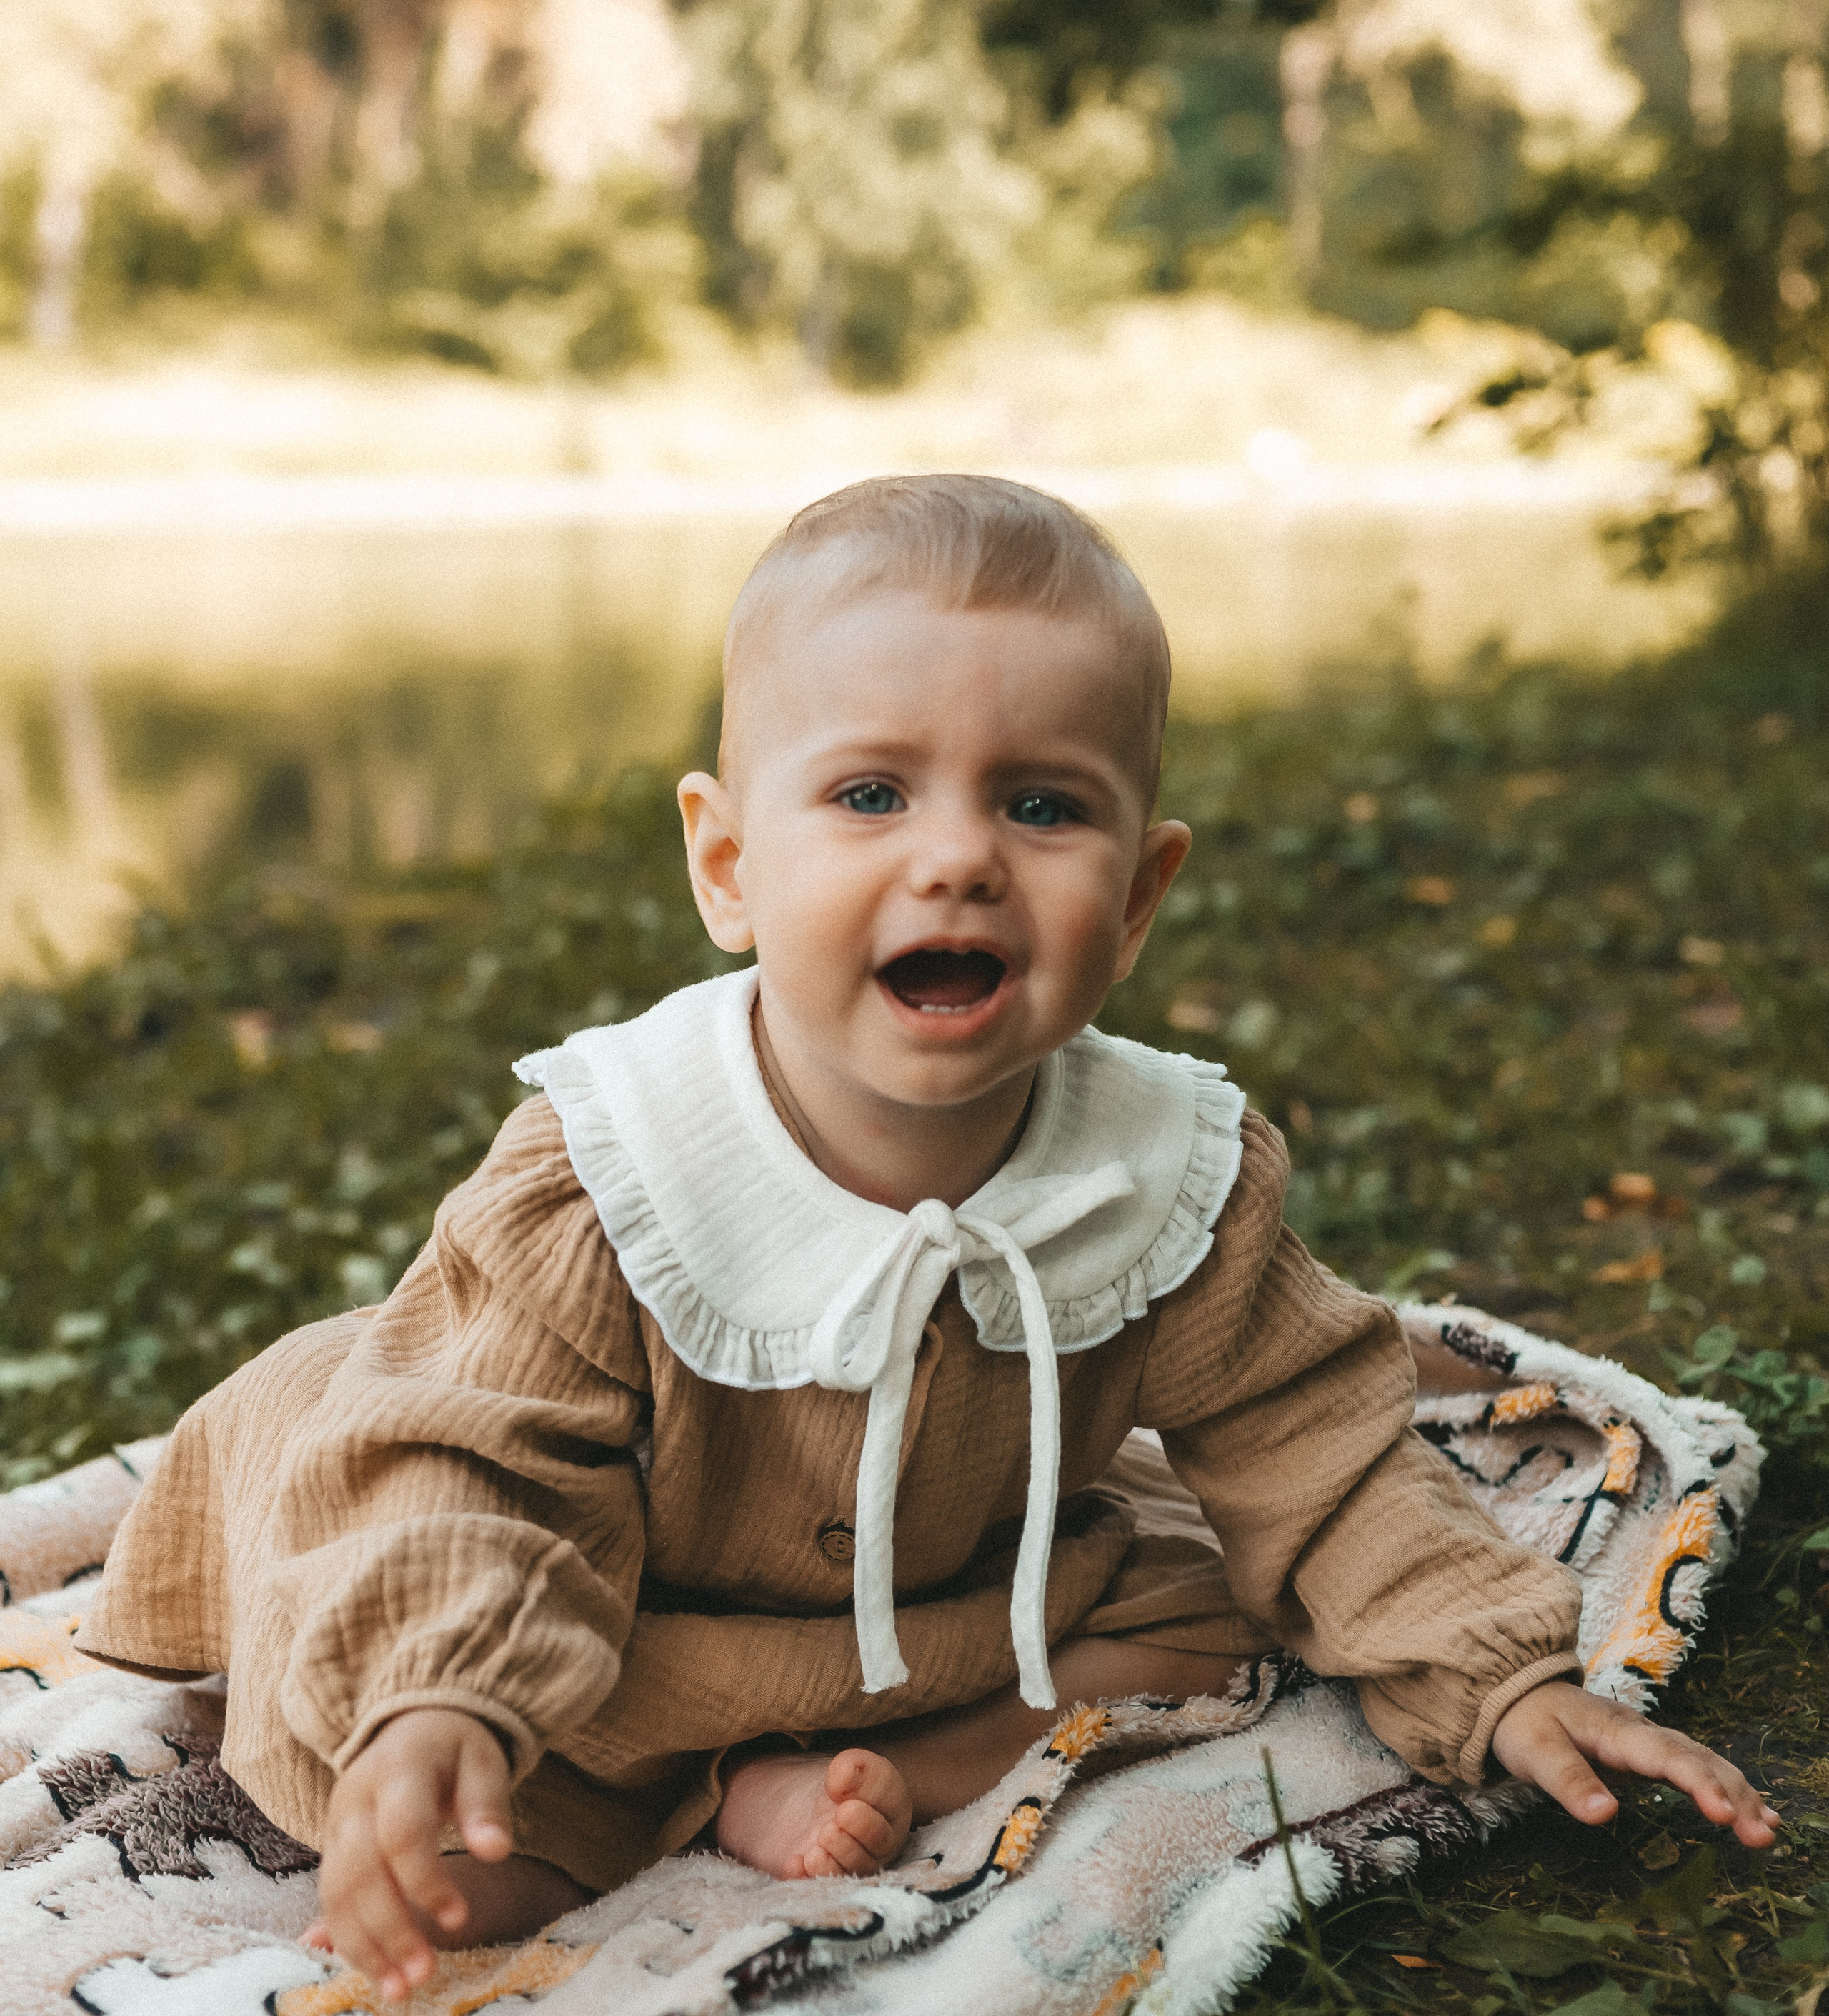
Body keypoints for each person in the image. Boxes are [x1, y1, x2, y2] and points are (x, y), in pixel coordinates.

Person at [76, 476, 1777, 2006]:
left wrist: (1495, 1680)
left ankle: (773, 1766)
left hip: (912, 1595)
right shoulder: (610, 1176)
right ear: (729, 866)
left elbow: (1313, 1443)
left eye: (1040, 807)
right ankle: (689, 1768)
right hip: (582, 1588)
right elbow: (475, 1474)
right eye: (873, 793)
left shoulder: (1158, 1177)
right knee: (449, 1834)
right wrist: (440, 1699)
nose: (958, 857)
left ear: (1133, 899)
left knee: (1213, 1619)